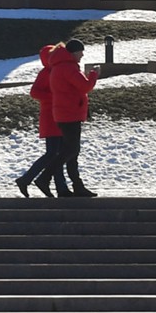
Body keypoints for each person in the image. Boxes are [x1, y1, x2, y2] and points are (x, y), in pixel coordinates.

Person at [46, 38, 101, 198]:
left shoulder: (60, 66)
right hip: (70, 114)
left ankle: (78, 186)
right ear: (74, 52)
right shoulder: (68, 67)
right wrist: (94, 75)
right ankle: (45, 177)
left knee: (71, 153)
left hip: (65, 113)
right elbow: (85, 86)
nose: (82, 55)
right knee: (71, 150)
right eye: (80, 52)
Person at [15, 44, 71, 198]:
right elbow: (34, 92)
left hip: (59, 116)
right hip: (50, 117)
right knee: (52, 153)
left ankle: (61, 188)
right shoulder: (46, 73)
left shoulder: (56, 71)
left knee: (57, 154)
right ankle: (26, 179)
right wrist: (55, 97)